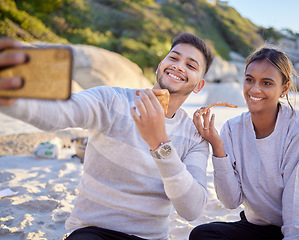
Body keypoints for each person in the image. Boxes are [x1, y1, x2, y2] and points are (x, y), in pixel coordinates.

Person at [0, 32, 214, 240]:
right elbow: (61, 112)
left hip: (151, 237)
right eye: (173, 58)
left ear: (199, 85)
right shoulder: (112, 100)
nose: (178, 66)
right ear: (160, 65)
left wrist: (160, 145)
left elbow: (192, 209)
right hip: (94, 231)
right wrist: (14, 99)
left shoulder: (194, 136)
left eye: (191, 65)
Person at [191, 47, 299, 240]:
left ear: (284, 88)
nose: (255, 89)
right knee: (202, 234)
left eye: (267, 83)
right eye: (249, 79)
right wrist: (218, 148)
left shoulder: (298, 128)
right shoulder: (231, 129)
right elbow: (230, 201)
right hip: (258, 228)